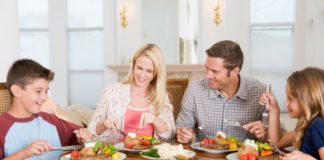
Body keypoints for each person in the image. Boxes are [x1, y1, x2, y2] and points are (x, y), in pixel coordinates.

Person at [176, 40, 268, 143]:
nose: (208, 76)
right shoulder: (194, 90)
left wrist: (266, 132)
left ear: (235, 71)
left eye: (215, 71)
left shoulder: (260, 92)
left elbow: (278, 137)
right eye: (207, 69)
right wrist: (183, 135)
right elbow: (181, 129)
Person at [0, 59, 92, 160]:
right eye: (38, 91)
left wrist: (82, 136)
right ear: (17, 91)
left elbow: (77, 134)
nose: (44, 97)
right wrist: (24, 153)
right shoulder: (2, 127)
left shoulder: (50, 121)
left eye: (46, 91)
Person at [88, 43, 176, 144]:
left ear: (155, 73)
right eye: (139, 68)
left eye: (149, 71)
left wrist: (155, 120)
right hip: (119, 155)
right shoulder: (111, 92)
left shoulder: (161, 97)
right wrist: (104, 123)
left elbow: (171, 134)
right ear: (133, 66)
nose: (142, 75)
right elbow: (91, 128)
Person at [260, 67, 324, 160]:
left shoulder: (318, 126)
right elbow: (277, 142)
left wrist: (306, 158)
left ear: (308, 100)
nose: (286, 103)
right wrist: (274, 109)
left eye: (290, 98)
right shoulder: (307, 126)